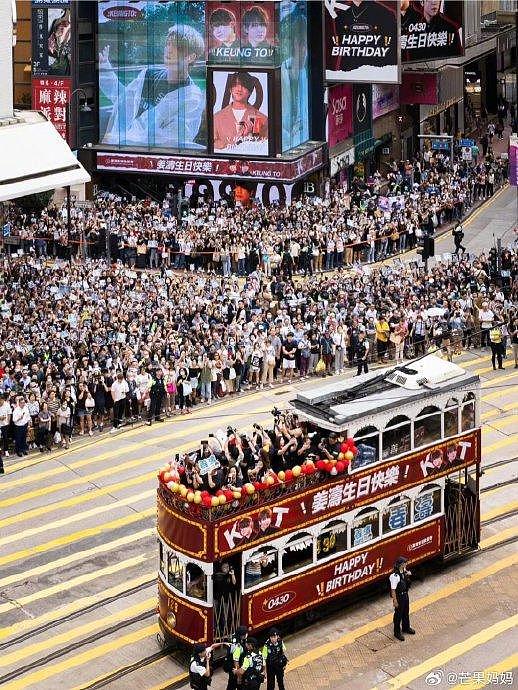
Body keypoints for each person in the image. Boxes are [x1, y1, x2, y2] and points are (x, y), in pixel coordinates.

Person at [99, 24, 205, 148]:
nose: (169, 49)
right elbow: (124, 99)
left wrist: (119, 139)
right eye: (168, 44)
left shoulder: (192, 98)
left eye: (177, 46)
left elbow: (172, 141)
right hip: (123, 146)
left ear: (190, 57)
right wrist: (104, 68)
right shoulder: (149, 74)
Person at [213, 72, 268, 152]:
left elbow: (264, 147)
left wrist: (248, 137)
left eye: (244, 86)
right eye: (235, 85)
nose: (239, 89)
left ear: (250, 92)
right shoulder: (216, 117)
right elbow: (212, 144)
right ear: (230, 89)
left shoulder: (262, 118)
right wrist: (225, 145)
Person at [390, 556, 415, 641]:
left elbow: (407, 576)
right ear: (401, 564)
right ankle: (397, 632)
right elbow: (393, 590)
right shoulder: (394, 576)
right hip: (399, 596)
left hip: (405, 594)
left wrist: (408, 574)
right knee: (398, 614)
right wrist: (395, 601)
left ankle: (406, 627)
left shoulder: (404, 571)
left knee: (406, 612)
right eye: (405, 563)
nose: (406, 564)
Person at [226, 625, 248, 690]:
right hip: (234, 669)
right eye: (245, 634)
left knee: (231, 684)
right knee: (235, 684)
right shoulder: (238, 647)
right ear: (241, 635)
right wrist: (239, 676)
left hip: (231, 666)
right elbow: (236, 662)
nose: (246, 635)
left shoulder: (234, 637)